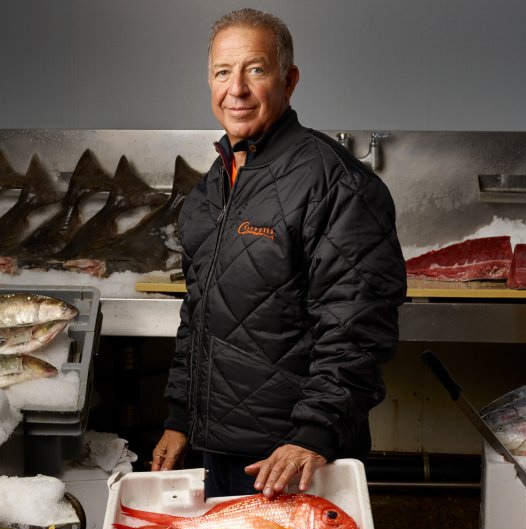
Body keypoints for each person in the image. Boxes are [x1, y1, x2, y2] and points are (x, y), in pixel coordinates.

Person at [151, 8, 406, 499]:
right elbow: (199, 318)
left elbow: (356, 328)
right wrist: (180, 419)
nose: (237, 89)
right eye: (223, 72)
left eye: (256, 69)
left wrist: (314, 434)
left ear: (289, 80)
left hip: (293, 460)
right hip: (215, 452)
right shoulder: (210, 191)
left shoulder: (336, 183)